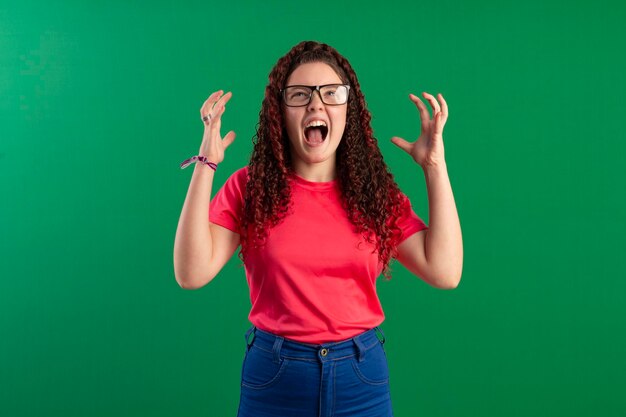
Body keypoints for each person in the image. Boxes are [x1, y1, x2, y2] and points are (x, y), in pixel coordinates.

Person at [174, 41, 463, 417]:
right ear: (280, 112)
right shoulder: (252, 187)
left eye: (331, 93)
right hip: (275, 377)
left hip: (361, 378)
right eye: (299, 95)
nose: (316, 104)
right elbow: (191, 272)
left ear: (349, 108)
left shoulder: (372, 193)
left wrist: (434, 167)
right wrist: (205, 165)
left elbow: (445, 270)